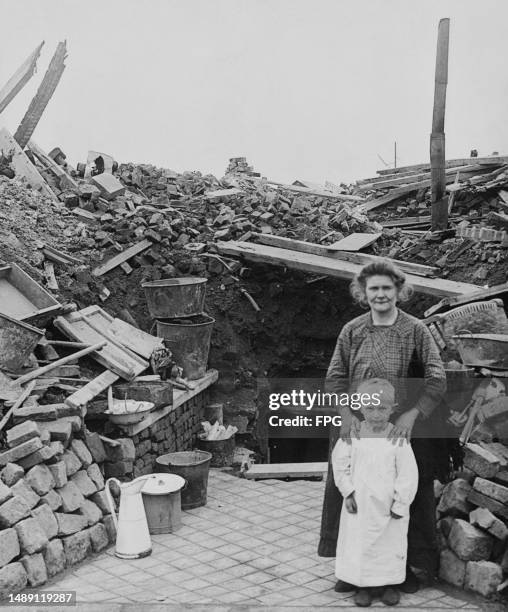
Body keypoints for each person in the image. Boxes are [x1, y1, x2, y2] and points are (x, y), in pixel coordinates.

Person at [318, 260, 447, 594]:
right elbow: (334, 377)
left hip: (399, 431)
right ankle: (352, 568)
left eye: (386, 288)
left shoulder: (415, 330)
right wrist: (346, 414)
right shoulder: (353, 330)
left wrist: (412, 414)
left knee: (401, 497)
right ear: (363, 293)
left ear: (399, 291)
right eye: (373, 288)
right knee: (352, 495)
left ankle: (400, 569)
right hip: (357, 426)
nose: (380, 295)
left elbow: (437, 377)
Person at [332, 378, 418, 607]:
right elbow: (340, 464)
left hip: (389, 506)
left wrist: (401, 503)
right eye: (370, 408)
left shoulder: (397, 437)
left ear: (393, 408)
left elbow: (408, 474)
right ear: (359, 406)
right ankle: (362, 585)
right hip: (359, 504)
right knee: (360, 544)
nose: (376, 414)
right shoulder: (355, 434)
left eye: (382, 408)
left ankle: (388, 584)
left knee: (390, 544)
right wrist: (347, 492)